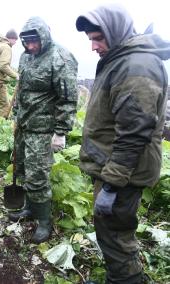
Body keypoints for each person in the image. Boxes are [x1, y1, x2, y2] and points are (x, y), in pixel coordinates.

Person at [76, 4, 170, 283]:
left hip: (124, 174)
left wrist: (111, 184)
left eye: (98, 38)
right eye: (90, 39)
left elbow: (134, 133)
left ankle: (128, 280)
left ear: (116, 32)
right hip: (115, 169)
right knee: (110, 233)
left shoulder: (135, 66)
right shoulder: (122, 58)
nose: (93, 46)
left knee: (116, 236)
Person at [8, 17, 78, 244]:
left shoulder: (61, 58)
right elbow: (22, 87)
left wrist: (61, 132)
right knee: (23, 169)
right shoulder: (25, 56)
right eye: (26, 42)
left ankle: (44, 221)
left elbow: (68, 99)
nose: (30, 46)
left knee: (38, 175)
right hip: (24, 124)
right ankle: (29, 208)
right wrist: (16, 113)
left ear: (44, 36)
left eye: (34, 41)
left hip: (43, 128)